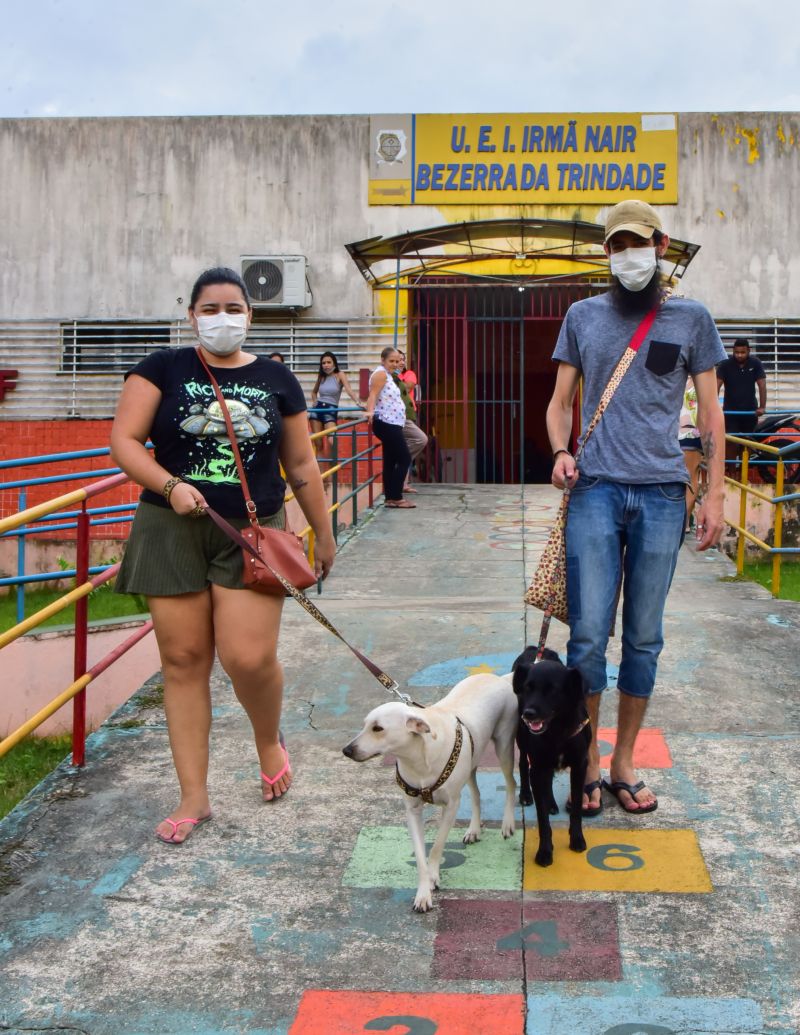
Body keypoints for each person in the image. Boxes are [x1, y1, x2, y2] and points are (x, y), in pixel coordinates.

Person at [110, 267, 335, 844]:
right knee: (183, 662)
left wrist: (323, 534)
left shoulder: (277, 378)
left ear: (250, 315)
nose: (222, 319)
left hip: (252, 533)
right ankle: (194, 796)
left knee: (247, 658)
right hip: (171, 526)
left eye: (233, 308)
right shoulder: (161, 368)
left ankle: (267, 739)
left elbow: (302, 465)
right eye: (209, 309)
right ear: (192, 314)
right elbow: (125, 442)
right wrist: (168, 485)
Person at [545, 199, 726, 817]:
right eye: (618, 244)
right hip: (594, 489)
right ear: (607, 252)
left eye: (639, 243)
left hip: (662, 495)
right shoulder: (582, 316)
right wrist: (559, 451)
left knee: (644, 638)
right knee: (589, 637)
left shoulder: (691, 319)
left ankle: (623, 762)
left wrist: (715, 494)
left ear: (662, 246)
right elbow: (559, 401)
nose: (629, 254)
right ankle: (588, 763)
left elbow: (709, 414)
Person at [365, 347, 414, 509]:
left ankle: (390, 498)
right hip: (386, 423)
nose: (395, 364)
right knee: (404, 458)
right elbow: (372, 394)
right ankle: (396, 497)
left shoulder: (389, 375)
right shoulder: (380, 374)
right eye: (391, 361)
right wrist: (370, 412)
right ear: (383, 360)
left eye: (397, 361)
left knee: (390, 460)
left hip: (393, 422)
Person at [716, 338, 767, 464]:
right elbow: (716, 386)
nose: (739, 355)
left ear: (748, 351)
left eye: (742, 352)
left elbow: (762, 385)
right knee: (731, 443)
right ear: (733, 351)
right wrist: (715, 407)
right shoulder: (725, 364)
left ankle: (743, 473)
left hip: (750, 412)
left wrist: (762, 407)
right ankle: (733, 473)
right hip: (730, 412)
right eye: (737, 352)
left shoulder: (755, 363)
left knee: (748, 443)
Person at [309, 351, 362, 459]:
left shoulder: (340, 375)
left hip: (331, 409)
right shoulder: (321, 377)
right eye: (323, 363)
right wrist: (314, 401)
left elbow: (348, 389)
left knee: (332, 441)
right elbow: (314, 392)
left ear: (334, 363)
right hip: (317, 410)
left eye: (329, 362)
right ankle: (321, 475)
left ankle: (331, 474)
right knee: (318, 445)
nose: (326, 365)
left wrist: (358, 402)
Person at [395, 349, 428, 492]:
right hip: (394, 416)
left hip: (407, 415)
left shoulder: (409, 374)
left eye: (403, 359)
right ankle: (402, 483)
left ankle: (402, 480)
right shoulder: (386, 376)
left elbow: (407, 388)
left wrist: (396, 378)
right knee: (401, 448)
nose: (401, 362)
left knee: (416, 441)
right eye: (398, 360)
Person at [679, 376, 705, 532]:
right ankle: (684, 521)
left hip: (687, 432)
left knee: (689, 477)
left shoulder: (699, 378)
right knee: (689, 477)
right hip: (683, 432)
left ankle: (684, 521)